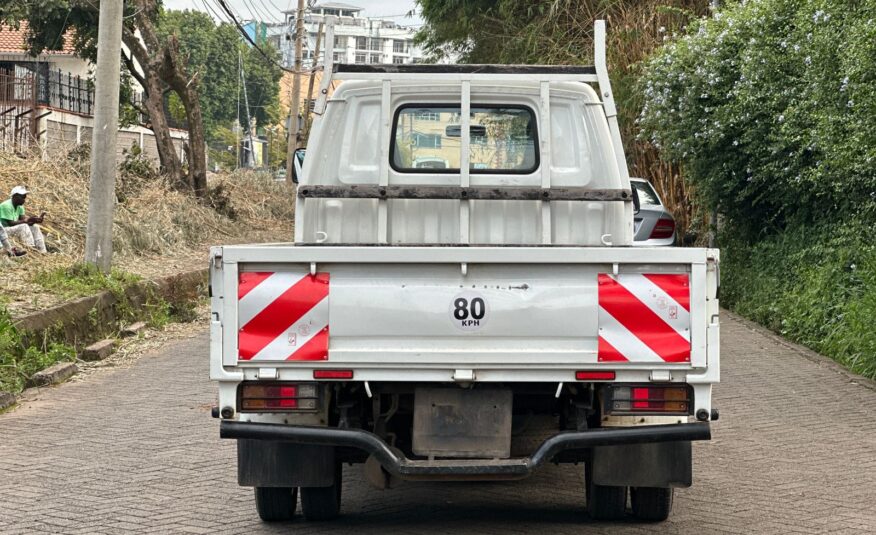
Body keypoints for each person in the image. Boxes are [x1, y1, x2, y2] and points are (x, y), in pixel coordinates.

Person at [0, 186, 46, 253]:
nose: (24, 199)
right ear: (15, 196)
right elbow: (11, 223)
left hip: (12, 229)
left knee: (35, 227)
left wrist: (33, 221)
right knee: (23, 227)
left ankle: (42, 251)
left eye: (25, 197)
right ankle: (30, 249)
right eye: (22, 197)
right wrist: (26, 221)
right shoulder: (6, 206)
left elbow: (24, 221)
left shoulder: (20, 206)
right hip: (3, 232)